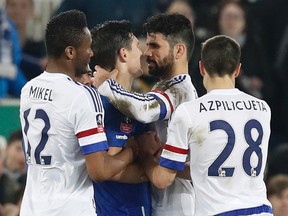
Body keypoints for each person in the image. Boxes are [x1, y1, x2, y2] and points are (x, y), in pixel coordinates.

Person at [19, 10, 137, 216]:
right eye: (88, 47)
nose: (91, 53)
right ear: (70, 52)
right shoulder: (81, 96)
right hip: (69, 209)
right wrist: (132, 152)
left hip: (32, 208)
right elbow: (99, 171)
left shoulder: (28, 89)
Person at [138, 35, 273, 215]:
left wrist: (147, 156)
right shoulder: (262, 109)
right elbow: (216, 168)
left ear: (201, 68)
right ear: (238, 69)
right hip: (261, 210)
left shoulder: (189, 112)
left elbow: (163, 179)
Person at [94, 13, 197, 216]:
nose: (146, 52)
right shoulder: (163, 89)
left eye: (154, 46)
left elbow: (144, 110)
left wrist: (107, 85)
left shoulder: (179, 90)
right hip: (158, 202)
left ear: (179, 50)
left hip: (176, 206)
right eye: (147, 45)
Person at [90, 20, 153, 216]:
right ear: (123, 54)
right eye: (136, 46)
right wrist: (146, 167)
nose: (142, 52)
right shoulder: (111, 107)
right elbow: (110, 169)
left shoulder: (131, 103)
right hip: (121, 210)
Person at [5, 0, 47, 81]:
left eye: (23, 6)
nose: (17, 11)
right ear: (5, 9)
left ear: (32, 11)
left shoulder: (41, 49)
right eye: (12, 5)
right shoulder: (3, 47)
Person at [0, 7, 26, 99]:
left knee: (26, 91)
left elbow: (16, 50)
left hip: (11, 69)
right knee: (2, 87)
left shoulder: (9, 25)